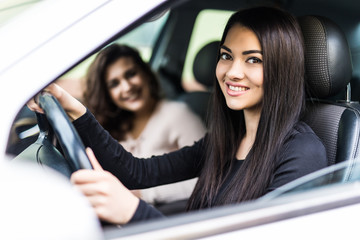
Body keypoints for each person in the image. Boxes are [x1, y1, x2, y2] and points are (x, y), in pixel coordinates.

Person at [28, 6, 328, 225]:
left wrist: (133, 212)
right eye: (226, 56)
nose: (232, 72)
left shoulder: (302, 152)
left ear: (282, 69)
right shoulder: (226, 139)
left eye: (253, 60)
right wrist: (74, 108)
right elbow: (136, 172)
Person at [83, 44, 206, 206]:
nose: (127, 87)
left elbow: (210, 178)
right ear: (106, 94)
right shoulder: (117, 124)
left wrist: (142, 194)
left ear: (146, 73)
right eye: (114, 84)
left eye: (131, 74)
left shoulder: (178, 114)